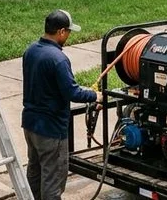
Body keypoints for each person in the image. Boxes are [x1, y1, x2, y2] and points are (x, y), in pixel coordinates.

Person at [21, 10, 102, 200]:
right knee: (53, 179)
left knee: (35, 170)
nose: (69, 36)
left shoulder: (30, 50)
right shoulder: (58, 59)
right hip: (51, 129)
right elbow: (72, 93)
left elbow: (50, 84)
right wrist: (94, 96)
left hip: (30, 125)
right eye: (69, 32)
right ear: (61, 32)